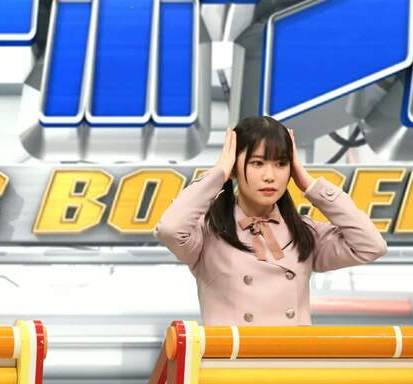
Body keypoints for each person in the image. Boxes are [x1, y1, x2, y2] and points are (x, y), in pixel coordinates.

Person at [155, 116, 387, 326]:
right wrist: (219, 174)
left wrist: (309, 184)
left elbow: (371, 246)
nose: (270, 176)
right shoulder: (207, 233)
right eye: (257, 163)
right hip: (231, 359)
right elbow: (170, 229)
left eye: (281, 164)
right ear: (234, 168)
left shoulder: (304, 231)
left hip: (292, 358)